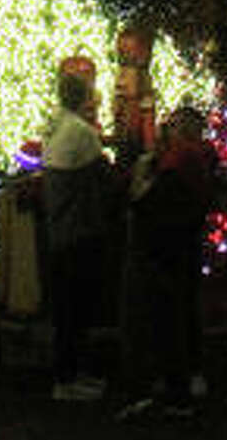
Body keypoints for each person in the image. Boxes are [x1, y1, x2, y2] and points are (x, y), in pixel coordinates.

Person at [115, 111, 211, 419]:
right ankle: (179, 384)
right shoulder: (193, 160)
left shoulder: (179, 162)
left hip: (162, 252)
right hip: (178, 250)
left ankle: (167, 390)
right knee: (178, 316)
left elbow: (146, 201)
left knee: (162, 320)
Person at [43, 69, 111, 401]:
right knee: (77, 308)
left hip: (59, 231)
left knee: (66, 308)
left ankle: (68, 374)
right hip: (79, 232)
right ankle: (70, 379)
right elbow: (103, 178)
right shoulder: (82, 134)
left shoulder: (54, 128)